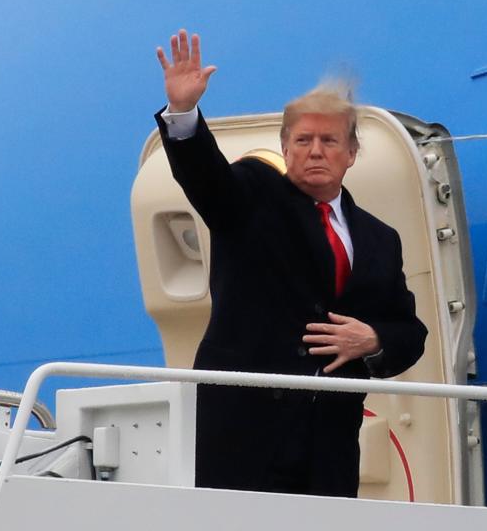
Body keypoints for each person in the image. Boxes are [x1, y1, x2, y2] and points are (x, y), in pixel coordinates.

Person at [154, 29, 427, 497]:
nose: (315, 150)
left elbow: (410, 331)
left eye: (328, 140)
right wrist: (183, 114)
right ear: (284, 147)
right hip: (245, 434)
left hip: (329, 442)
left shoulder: (380, 239)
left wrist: (374, 338)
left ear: (351, 153)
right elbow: (208, 182)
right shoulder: (254, 194)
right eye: (302, 140)